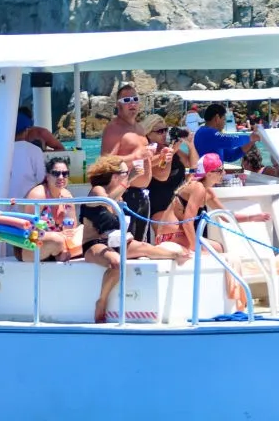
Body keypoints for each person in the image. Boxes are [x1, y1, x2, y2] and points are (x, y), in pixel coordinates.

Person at [82, 156, 190, 323]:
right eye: (125, 172)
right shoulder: (97, 190)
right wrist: (130, 179)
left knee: (152, 249)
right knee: (117, 263)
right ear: (115, 175)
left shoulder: (120, 195)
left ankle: (180, 259)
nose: (128, 175)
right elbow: (108, 203)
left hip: (117, 241)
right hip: (95, 244)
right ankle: (101, 302)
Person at [155, 153, 270, 252]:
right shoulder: (198, 188)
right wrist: (196, 248)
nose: (224, 173)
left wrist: (253, 217)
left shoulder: (207, 192)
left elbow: (226, 216)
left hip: (177, 235)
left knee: (218, 248)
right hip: (169, 236)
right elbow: (187, 222)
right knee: (216, 251)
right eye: (220, 170)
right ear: (208, 173)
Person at [100, 84, 151, 241]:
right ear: (118, 104)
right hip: (125, 194)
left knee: (141, 244)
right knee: (127, 247)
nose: (132, 103)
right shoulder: (113, 129)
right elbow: (104, 164)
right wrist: (135, 156)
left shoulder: (139, 128)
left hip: (143, 195)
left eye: (135, 99)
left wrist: (159, 158)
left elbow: (142, 159)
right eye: (127, 100)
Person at [19, 156, 81, 262]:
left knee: (85, 234)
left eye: (65, 174)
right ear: (47, 176)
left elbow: (70, 230)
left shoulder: (67, 197)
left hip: (58, 247)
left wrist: (68, 237)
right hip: (29, 246)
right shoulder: (38, 195)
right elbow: (28, 231)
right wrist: (59, 235)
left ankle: (61, 253)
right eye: (56, 173)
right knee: (55, 240)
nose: (61, 177)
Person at [142, 114, 199, 224]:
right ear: (148, 133)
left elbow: (192, 165)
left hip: (177, 201)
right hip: (160, 204)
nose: (164, 134)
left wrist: (191, 145)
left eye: (165, 130)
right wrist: (172, 152)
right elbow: (163, 175)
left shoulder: (169, 148)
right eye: (160, 131)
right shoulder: (148, 153)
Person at [194, 103, 260, 163]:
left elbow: (231, 156)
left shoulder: (204, 132)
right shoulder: (207, 133)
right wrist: (250, 138)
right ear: (217, 118)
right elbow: (230, 141)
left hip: (211, 175)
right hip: (207, 175)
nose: (224, 123)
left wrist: (251, 141)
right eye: (224, 119)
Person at [8, 116, 47, 200]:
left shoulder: (2, 150)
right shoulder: (35, 150)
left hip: (6, 203)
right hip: (29, 201)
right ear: (26, 131)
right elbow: (41, 177)